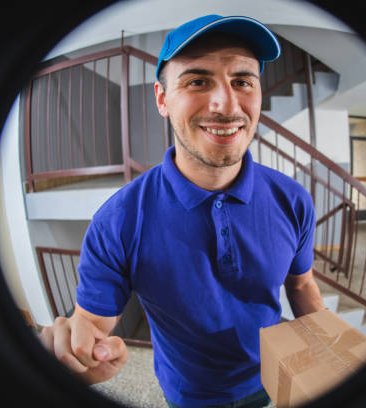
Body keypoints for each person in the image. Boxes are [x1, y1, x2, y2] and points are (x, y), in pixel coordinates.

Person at [39, 14, 326, 408]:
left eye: (242, 81)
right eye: (197, 81)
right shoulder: (119, 220)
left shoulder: (293, 199)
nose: (226, 104)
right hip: (189, 394)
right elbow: (90, 322)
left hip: (271, 374)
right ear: (162, 99)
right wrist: (79, 351)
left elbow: (302, 285)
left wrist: (329, 355)